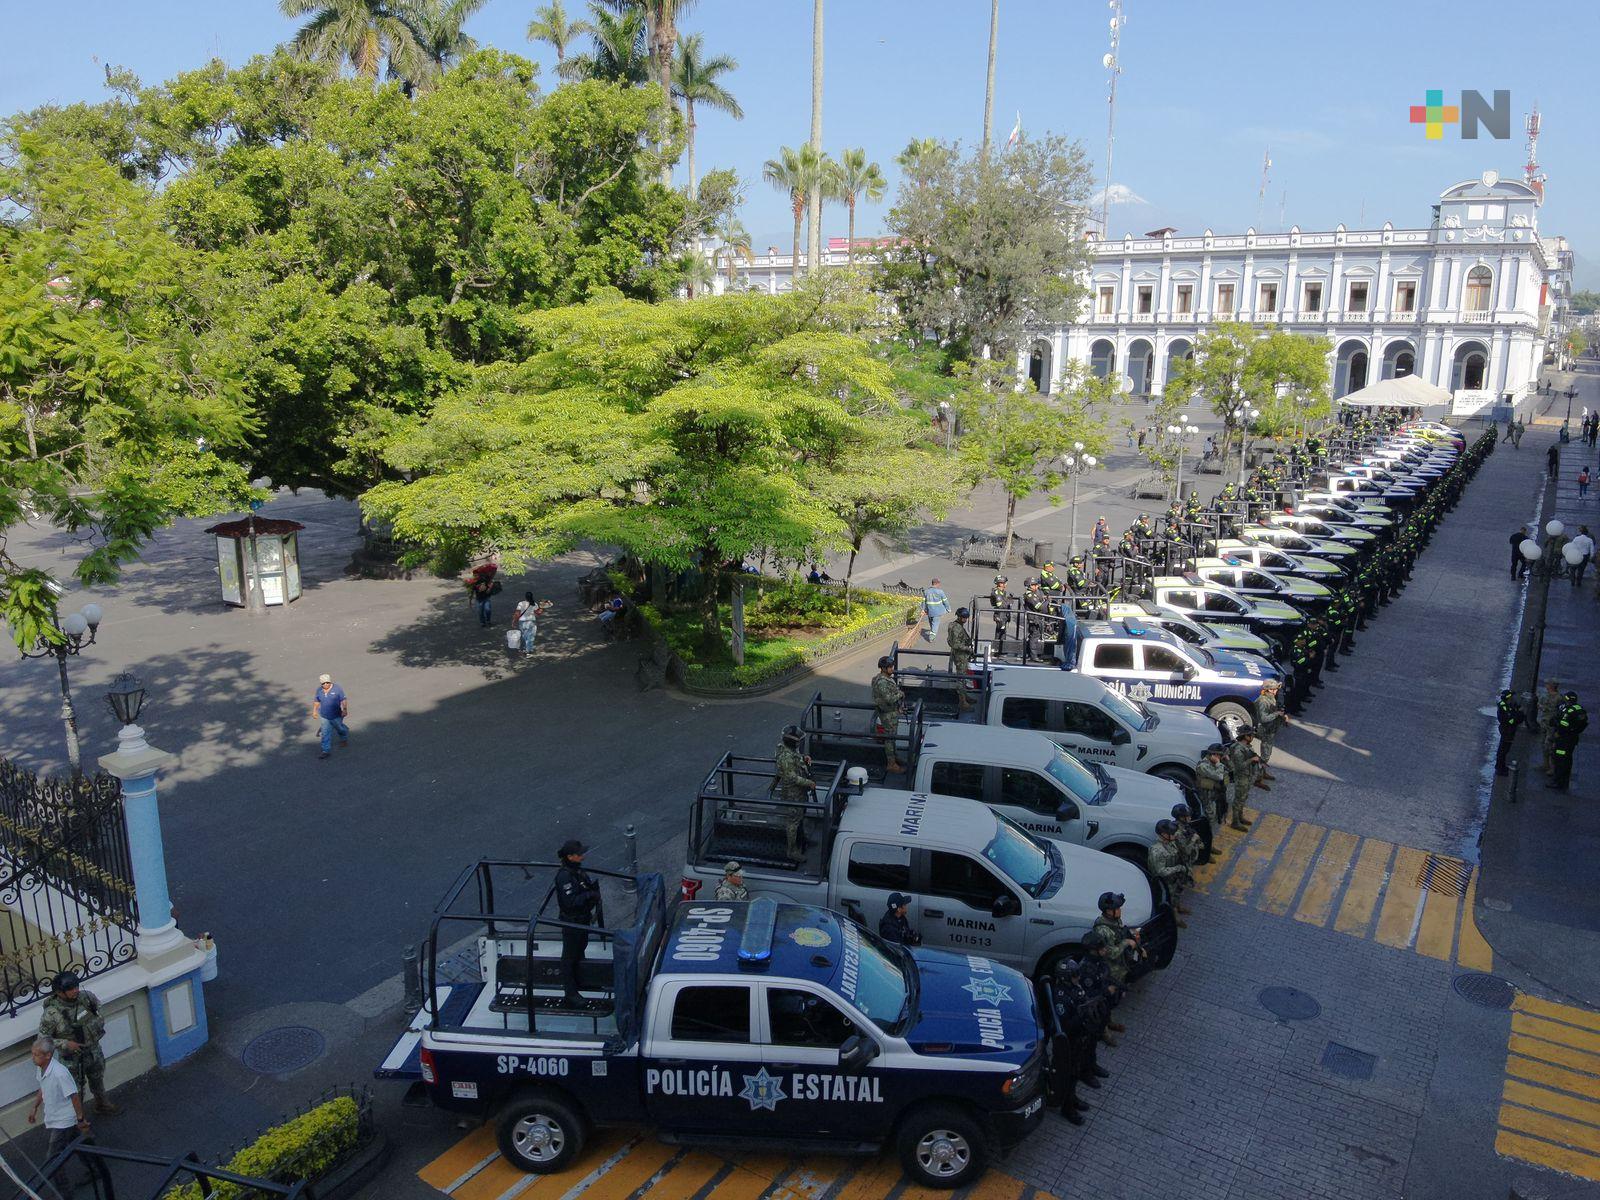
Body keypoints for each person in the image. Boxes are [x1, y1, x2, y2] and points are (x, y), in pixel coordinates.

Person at [37, 972, 119, 1116]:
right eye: (70, 988)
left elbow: (97, 1010)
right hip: (72, 1058)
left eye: (76, 986)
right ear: (59, 992)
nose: (75, 990)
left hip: (93, 1050)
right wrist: (65, 1043)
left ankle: (102, 1104)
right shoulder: (52, 1013)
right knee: (75, 1091)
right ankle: (78, 1120)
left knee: (97, 1079)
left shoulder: (85, 998)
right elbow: (43, 1041)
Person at [27, 1036, 101, 1191]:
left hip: (64, 1120)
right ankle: (96, 1169)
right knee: (79, 1144)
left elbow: (74, 1096)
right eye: (33, 1054)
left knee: (53, 1158)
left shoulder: (60, 1073)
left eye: (36, 1055)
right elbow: (43, 1086)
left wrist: (80, 1119)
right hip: (58, 1117)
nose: (33, 1058)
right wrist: (35, 1106)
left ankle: (63, 1192)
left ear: (48, 1055)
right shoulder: (41, 1068)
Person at [554, 839, 601, 1006]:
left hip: (582, 919)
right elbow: (570, 902)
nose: (582, 856)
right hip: (572, 922)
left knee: (581, 949)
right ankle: (570, 992)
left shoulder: (577, 871)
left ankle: (581, 979)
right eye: (579, 854)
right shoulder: (565, 876)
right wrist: (589, 895)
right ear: (570, 857)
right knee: (569, 956)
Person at [1087, 892, 1142, 1001]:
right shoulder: (1103, 930)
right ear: (1108, 911)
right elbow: (1111, 953)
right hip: (1112, 969)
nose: (1120, 910)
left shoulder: (1114, 921)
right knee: (1113, 996)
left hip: (1120, 963)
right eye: (1117, 908)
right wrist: (1126, 942)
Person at [774, 725, 816, 862]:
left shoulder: (789, 751)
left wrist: (804, 758)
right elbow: (791, 777)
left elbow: (795, 758)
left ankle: (802, 839)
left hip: (799, 793)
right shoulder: (786, 757)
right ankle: (792, 851)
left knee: (800, 816)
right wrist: (808, 783)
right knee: (793, 822)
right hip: (793, 794)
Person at [1146, 820, 1191, 927]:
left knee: (1177, 893)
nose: (1174, 835)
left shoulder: (1171, 843)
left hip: (1174, 879)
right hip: (1165, 882)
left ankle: (1178, 906)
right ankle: (1174, 917)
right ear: (1164, 834)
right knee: (1169, 898)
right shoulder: (1157, 851)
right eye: (1172, 833)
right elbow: (1160, 871)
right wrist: (1178, 868)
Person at [872, 656, 906, 774]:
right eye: (890, 667)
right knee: (890, 739)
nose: (892, 669)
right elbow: (889, 699)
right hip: (887, 714)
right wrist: (900, 694)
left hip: (891, 712)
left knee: (892, 737)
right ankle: (891, 764)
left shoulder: (884, 678)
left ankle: (894, 758)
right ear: (883, 668)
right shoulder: (881, 682)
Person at [1548, 691, 1588, 791]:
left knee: (1560, 760)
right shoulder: (1579, 709)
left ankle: (1557, 782)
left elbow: (1562, 725)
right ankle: (1564, 782)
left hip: (1563, 740)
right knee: (1568, 760)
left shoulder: (1568, 711)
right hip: (1572, 739)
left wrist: (1557, 726)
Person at [1225, 728, 1262, 829]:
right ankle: (1235, 822)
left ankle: (1240, 817)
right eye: (1251, 735)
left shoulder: (1245, 747)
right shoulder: (1238, 750)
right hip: (1241, 777)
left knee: (1243, 798)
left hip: (1246, 776)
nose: (1253, 737)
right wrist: (1251, 760)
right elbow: (1238, 766)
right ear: (1246, 736)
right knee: (1238, 800)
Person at [1251, 680, 1287, 782]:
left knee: (1267, 753)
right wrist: (1277, 714)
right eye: (1274, 689)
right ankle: (1258, 778)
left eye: (1276, 689)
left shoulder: (1270, 698)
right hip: (1265, 730)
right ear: (1268, 690)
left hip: (1271, 729)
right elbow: (1263, 718)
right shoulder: (1263, 701)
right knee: (1265, 755)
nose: (1276, 691)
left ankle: (1262, 772)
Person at [310, 673, 349, 761]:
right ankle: (325, 751)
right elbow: (317, 701)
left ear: (330, 681)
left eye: (327, 682)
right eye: (323, 683)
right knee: (325, 733)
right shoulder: (319, 690)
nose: (325, 685)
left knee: (340, 728)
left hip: (336, 715)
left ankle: (344, 737)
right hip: (324, 716)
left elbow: (343, 699)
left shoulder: (337, 689)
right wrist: (314, 711)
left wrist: (345, 709)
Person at [1195, 744, 1230, 834]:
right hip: (1207, 796)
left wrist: (1226, 761)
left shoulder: (1215, 763)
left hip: (1215, 795)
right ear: (1214, 755)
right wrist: (1219, 763)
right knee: (1210, 818)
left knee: (1217, 815)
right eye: (1220, 755)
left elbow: (1229, 773)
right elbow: (1219, 776)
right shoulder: (1203, 766)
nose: (1222, 757)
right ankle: (1206, 839)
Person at [946, 607, 975, 712]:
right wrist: (969, 649)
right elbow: (956, 644)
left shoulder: (955, 625)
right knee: (961, 679)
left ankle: (965, 697)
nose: (965, 619)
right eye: (963, 617)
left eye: (966, 617)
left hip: (961, 655)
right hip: (960, 656)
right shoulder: (957, 628)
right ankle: (962, 702)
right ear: (959, 617)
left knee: (963, 677)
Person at [1494, 689, 1524, 777]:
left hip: (1507, 730)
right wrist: (1519, 714)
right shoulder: (1505, 708)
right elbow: (1510, 721)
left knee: (1504, 750)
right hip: (1507, 731)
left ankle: (1501, 766)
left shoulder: (1507, 706)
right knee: (1503, 750)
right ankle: (1500, 768)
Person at [1537, 678, 1563, 775]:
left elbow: (1559, 712)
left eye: (1548, 684)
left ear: (1552, 686)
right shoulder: (1546, 695)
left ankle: (1552, 768)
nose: (1546, 685)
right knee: (1544, 744)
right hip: (1544, 723)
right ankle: (1545, 764)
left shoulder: (1559, 698)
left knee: (1550, 746)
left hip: (1552, 726)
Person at [989, 575, 1013, 655]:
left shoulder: (1002, 592)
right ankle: (996, 650)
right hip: (1000, 615)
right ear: (1001, 583)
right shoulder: (996, 592)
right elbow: (1000, 605)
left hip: (1004, 614)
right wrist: (1009, 601)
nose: (1006, 584)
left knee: (1003, 632)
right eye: (1004, 582)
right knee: (999, 632)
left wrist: (1008, 600)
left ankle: (1001, 650)